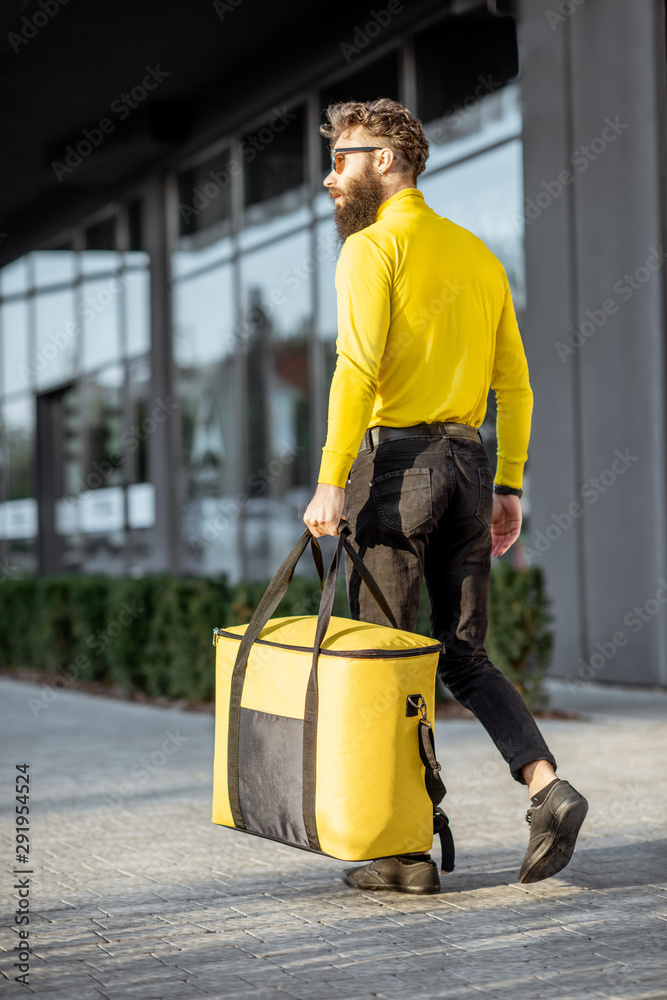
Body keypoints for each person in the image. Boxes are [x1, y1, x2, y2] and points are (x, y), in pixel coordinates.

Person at [303, 97, 588, 895]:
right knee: (460, 653)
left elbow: (355, 370)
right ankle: (544, 787)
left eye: (342, 157)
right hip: (469, 464)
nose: (330, 178)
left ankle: (401, 853)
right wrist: (507, 486)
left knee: (386, 663)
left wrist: (330, 479)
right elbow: (517, 386)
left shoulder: (371, 249)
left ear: (388, 158)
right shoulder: (477, 255)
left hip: (396, 467)